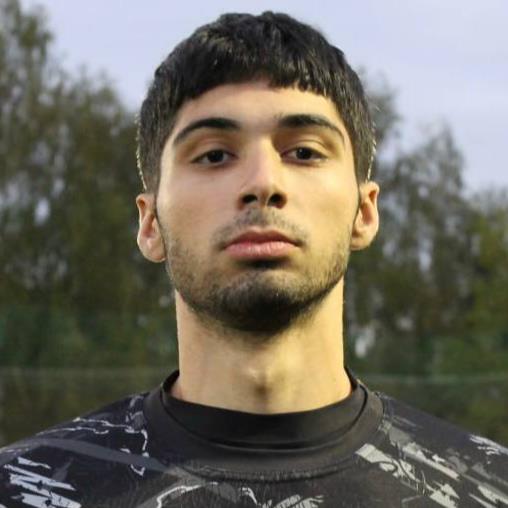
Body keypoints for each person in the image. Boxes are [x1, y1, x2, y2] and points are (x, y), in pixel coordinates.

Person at [1, 11, 507, 508]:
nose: (263, 182)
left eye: (304, 152)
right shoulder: (22, 489)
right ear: (151, 222)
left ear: (364, 211)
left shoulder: (489, 490)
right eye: (214, 155)